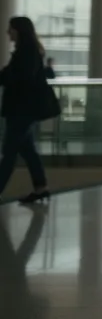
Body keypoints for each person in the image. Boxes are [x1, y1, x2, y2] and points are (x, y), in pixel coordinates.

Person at [0, 17, 55, 205]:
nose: (8, 33)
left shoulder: (26, 52)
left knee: (9, 152)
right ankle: (41, 188)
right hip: (24, 110)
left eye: (11, 29)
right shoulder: (27, 51)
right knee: (28, 150)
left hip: (21, 110)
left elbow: (20, 78)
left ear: (19, 30)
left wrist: (6, 76)